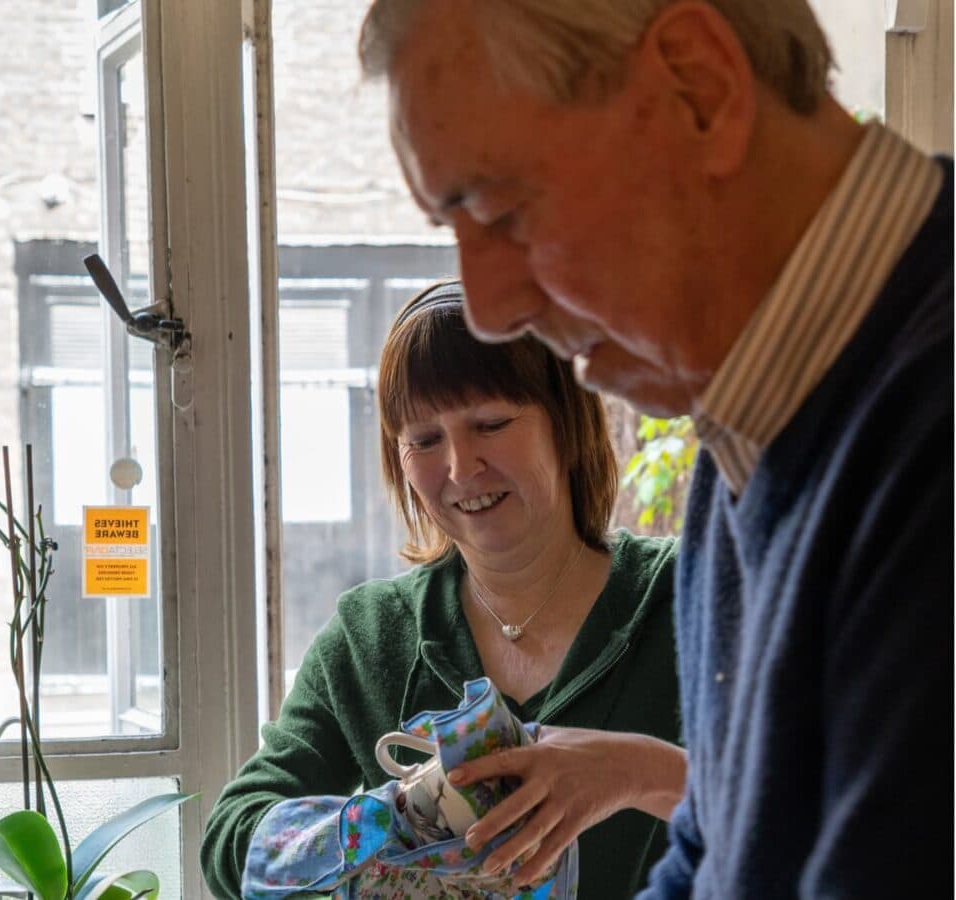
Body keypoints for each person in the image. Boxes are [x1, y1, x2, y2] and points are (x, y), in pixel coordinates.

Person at [359, 1, 954, 898]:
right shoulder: (750, 423)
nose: (489, 308)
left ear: (699, 88)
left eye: (505, 210)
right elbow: (715, 858)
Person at [200, 280, 687, 899]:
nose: (460, 467)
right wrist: (393, 816)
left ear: (567, 425)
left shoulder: (684, 598)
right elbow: (229, 844)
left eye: (491, 424)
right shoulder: (371, 636)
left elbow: (811, 804)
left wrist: (637, 772)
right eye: (424, 440)